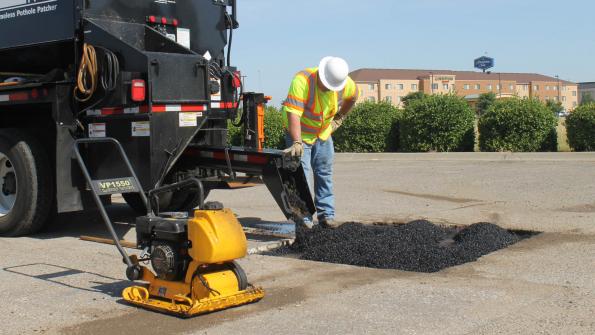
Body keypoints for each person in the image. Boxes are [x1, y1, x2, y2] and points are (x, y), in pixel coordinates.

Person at [281, 56, 359, 229]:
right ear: (321, 75)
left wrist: (340, 117)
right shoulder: (303, 80)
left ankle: (327, 215)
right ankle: (304, 218)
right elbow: (293, 113)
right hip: (300, 135)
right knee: (302, 177)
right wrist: (296, 142)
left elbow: (353, 97)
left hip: (322, 134)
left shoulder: (344, 83)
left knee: (324, 173)